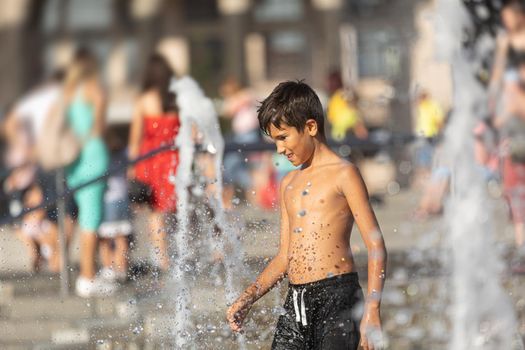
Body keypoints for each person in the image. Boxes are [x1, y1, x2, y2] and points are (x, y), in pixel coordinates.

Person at [227, 81, 387, 350]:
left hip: (338, 299)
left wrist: (372, 310)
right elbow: (284, 257)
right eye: (274, 140)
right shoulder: (289, 183)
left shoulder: (344, 174)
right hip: (296, 302)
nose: (279, 149)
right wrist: (247, 297)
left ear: (311, 127)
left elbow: (375, 245)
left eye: (283, 137)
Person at [63, 48, 116, 297]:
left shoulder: (68, 93)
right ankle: (87, 276)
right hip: (93, 154)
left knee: (86, 216)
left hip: (74, 160)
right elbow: (100, 126)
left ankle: (89, 272)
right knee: (91, 219)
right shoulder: (94, 88)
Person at [128, 53, 180, 272]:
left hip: (150, 162)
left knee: (156, 213)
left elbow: (135, 138)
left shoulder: (144, 100)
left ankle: (163, 261)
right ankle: (181, 256)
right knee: (176, 209)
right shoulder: (176, 99)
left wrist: (131, 167)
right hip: (174, 160)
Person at [98, 127, 131, 283]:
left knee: (104, 237)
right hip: (123, 198)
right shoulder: (123, 152)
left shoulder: (103, 155)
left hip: (107, 199)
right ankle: (121, 268)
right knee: (121, 236)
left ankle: (109, 268)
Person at [17, 184, 60, 273]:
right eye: (35, 203)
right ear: (27, 204)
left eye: (41, 202)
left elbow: (58, 261)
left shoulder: (50, 226)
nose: (40, 207)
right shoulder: (21, 230)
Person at [326, 71, 368, 142]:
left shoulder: (337, 96)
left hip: (341, 129)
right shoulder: (336, 96)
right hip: (340, 129)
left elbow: (331, 116)